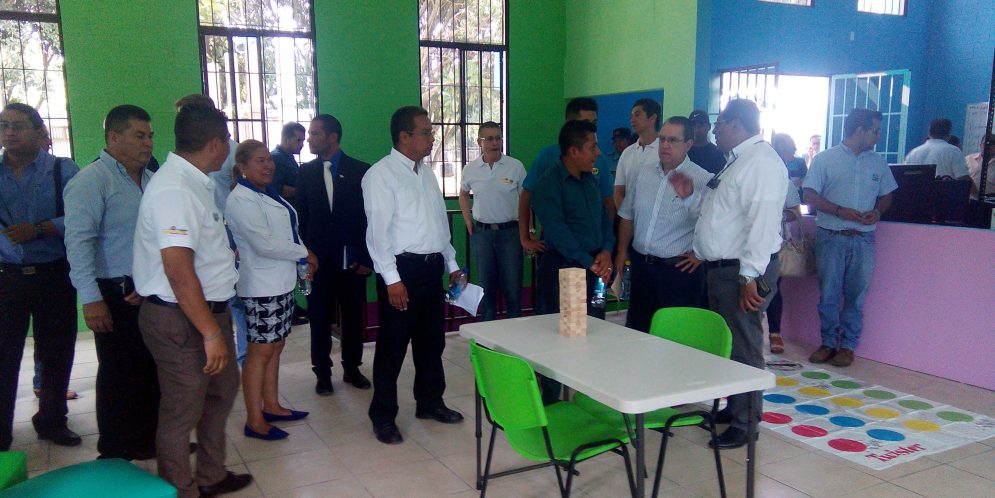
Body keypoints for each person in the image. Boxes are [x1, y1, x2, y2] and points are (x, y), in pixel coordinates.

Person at [133, 103, 251, 498]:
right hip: (181, 319)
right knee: (182, 409)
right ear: (216, 144)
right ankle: (179, 489)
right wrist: (210, 333)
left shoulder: (196, 182)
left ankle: (211, 476)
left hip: (207, 313)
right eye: (228, 141)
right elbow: (178, 270)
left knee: (221, 393)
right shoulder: (175, 189)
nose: (229, 149)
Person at [671, 99, 787, 449]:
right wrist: (689, 198)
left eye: (719, 123)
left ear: (736, 124)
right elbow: (721, 215)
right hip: (723, 270)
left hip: (741, 271)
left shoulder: (761, 162)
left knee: (745, 345)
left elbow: (762, 224)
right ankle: (734, 408)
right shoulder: (737, 161)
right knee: (732, 343)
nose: (714, 130)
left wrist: (749, 276)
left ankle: (746, 422)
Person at [363, 106, 465, 445]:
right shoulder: (381, 175)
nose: (432, 138)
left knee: (431, 341)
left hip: (431, 268)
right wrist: (392, 279)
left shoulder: (427, 174)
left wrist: (451, 263)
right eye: (426, 132)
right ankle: (383, 416)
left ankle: (430, 402)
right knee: (393, 346)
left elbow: (438, 224)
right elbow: (377, 234)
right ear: (404, 136)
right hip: (401, 271)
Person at [64, 105, 159, 460]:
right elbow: (79, 243)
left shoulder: (151, 180)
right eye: (140, 136)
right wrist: (91, 299)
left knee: (149, 368)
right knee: (118, 372)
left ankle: (147, 441)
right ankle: (115, 450)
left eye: (150, 136)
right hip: (113, 291)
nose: (148, 143)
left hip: (148, 288)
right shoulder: (92, 180)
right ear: (114, 138)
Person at [0, 103, 81, 451]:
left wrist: (40, 229)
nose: (9, 132)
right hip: (7, 277)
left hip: (53, 274)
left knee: (56, 353)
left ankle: (52, 421)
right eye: (4, 125)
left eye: (18, 126)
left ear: (38, 131)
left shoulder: (63, 170)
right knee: (4, 355)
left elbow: (81, 217)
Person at [226, 140, 316, 441]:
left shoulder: (265, 193)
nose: (268, 165)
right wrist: (304, 253)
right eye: (260, 161)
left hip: (280, 282)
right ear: (242, 167)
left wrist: (300, 255)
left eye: (269, 160)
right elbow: (263, 243)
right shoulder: (241, 199)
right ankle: (255, 420)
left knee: (275, 346)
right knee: (259, 351)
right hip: (261, 287)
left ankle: (273, 405)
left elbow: (286, 233)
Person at [803, 108, 897, 368]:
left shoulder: (878, 162)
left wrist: (878, 212)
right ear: (860, 130)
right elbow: (809, 195)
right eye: (875, 130)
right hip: (831, 237)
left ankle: (848, 346)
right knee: (829, 295)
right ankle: (828, 343)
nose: (878, 136)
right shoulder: (825, 159)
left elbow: (887, 195)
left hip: (864, 240)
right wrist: (838, 210)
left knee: (856, 296)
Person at [531, 120, 614, 403]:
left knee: (596, 330)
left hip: (595, 270)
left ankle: (594, 397)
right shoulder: (548, 185)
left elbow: (604, 220)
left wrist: (606, 251)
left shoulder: (590, 179)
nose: (598, 153)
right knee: (557, 337)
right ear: (573, 151)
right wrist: (589, 261)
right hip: (563, 270)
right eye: (592, 147)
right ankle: (551, 400)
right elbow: (558, 232)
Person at [295, 114, 373, 394]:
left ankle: (352, 367)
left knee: (353, 316)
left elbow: (370, 219)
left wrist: (367, 259)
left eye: (315, 133)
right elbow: (300, 219)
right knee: (319, 317)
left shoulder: (361, 171)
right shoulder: (305, 173)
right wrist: (304, 255)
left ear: (333, 137)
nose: (309, 139)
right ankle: (322, 373)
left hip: (352, 260)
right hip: (317, 262)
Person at [173, 94, 250, 365]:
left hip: (229, 231)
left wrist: (239, 240)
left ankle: (243, 356)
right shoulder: (179, 174)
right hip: (205, 232)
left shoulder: (232, 153)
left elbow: (244, 200)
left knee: (236, 298)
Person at [615, 116, 711, 333]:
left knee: (675, 336)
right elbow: (627, 214)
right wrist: (621, 252)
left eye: (673, 140)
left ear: (688, 144)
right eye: (662, 139)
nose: (665, 145)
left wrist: (702, 254)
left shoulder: (702, 179)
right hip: (642, 268)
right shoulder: (644, 173)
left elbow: (713, 223)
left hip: (678, 272)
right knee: (637, 332)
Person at [518, 98, 615, 260]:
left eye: (594, 122)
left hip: (593, 246)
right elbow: (527, 194)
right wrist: (525, 237)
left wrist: (606, 248)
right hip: (560, 249)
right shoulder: (548, 157)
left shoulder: (599, 160)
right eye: (585, 122)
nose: (591, 127)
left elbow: (608, 203)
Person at [457, 121, 525, 321]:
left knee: (513, 286)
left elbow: (525, 200)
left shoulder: (515, 166)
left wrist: (528, 231)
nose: (495, 142)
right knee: (486, 287)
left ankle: (515, 332)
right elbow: (463, 194)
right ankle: (488, 332)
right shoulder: (471, 169)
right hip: (482, 234)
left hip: (510, 233)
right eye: (489, 139)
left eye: (498, 138)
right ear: (480, 142)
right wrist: (467, 220)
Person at [764, 170, 803, 355]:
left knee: (772, 288)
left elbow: (796, 212)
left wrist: (776, 215)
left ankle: (774, 333)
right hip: (743, 243)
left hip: (775, 244)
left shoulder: (784, 181)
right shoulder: (745, 175)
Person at [613, 98, 662, 209]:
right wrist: (626, 216)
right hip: (629, 217)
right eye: (631, 115)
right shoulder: (627, 153)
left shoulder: (665, 150)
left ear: (653, 118)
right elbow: (619, 191)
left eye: (637, 115)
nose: (632, 120)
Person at [904, 118, 970, 180]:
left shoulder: (913, 153)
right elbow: (964, 179)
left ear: (929, 133)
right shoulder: (953, 151)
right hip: (945, 188)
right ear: (949, 134)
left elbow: (904, 177)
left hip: (917, 188)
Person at [270, 122, 305, 200]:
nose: (302, 145)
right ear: (286, 140)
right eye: (298, 140)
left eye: (303, 141)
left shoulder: (287, 157)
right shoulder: (277, 159)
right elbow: (277, 188)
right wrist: (304, 191)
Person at [687, 109, 725, 174]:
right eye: (693, 125)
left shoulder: (718, 154)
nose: (696, 129)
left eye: (700, 125)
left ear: (709, 127)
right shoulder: (683, 153)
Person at [967, 133, 995, 202]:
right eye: (985, 143)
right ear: (980, 145)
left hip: (989, 203)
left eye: (992, 144)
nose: (988, 146)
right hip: (968, 201)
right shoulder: (968, 159)